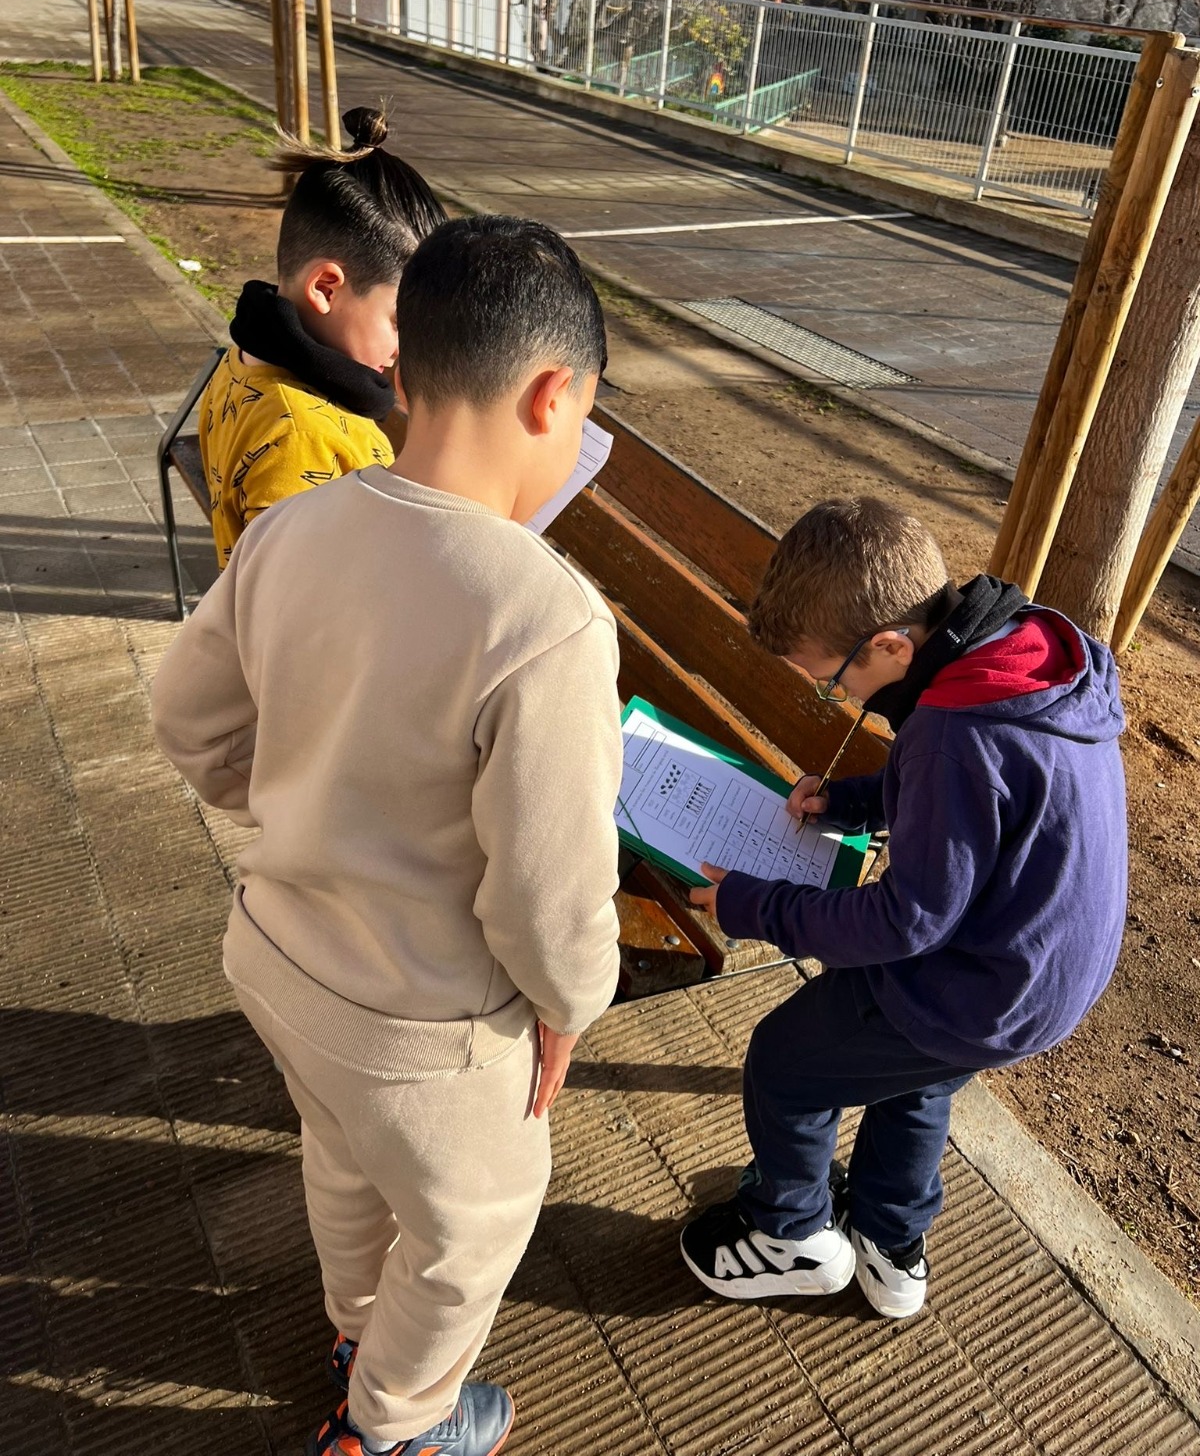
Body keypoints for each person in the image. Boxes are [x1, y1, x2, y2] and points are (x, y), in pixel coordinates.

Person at [152, 216, 622, 1456]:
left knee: (343, 1157)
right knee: (473, 1228)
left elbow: (187, 716)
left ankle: (357, 1328)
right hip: (423, 1029)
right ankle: (396, 1424)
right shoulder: (548, 618)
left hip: (277, 959)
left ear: (405, 370)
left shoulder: (296, 525)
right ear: (553, 396)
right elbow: (548, 893)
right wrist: (570, 1004)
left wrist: (291, 798)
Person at [680, 497, 1127, 1319]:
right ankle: (891, 1244)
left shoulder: (952, 734)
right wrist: (853, 802)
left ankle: (791, 1236)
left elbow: (905, 922)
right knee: (914, 1078)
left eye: (836, 681)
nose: (840, 696)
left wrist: (755, 906)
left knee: (785, 1063)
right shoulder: (1019, 657)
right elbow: (980, 801)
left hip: (977, 983)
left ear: (890, 647)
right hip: (1045, 969)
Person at [198, 105, 446, 567]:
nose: (403, 349)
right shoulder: (301, 440)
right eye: (399, 323)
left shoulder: (243, 360)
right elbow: (305, 600)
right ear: (326, 288)